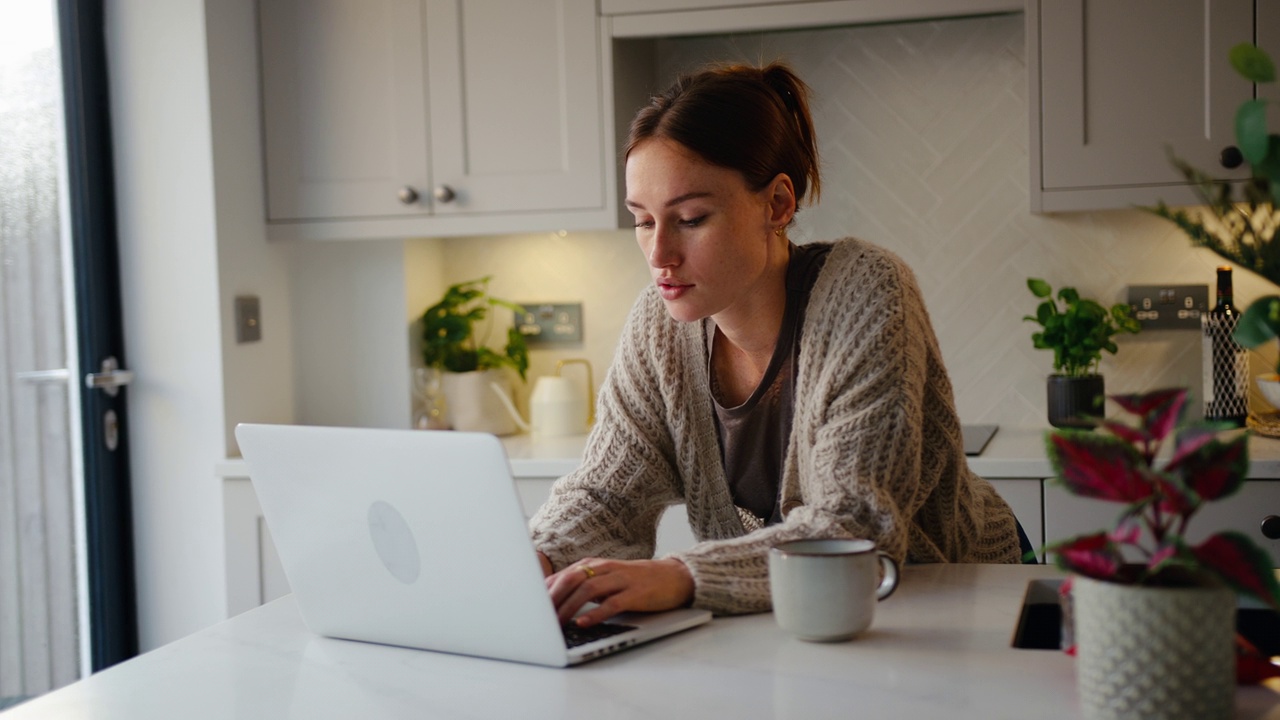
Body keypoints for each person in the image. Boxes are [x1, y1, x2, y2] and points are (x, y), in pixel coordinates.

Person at [530, 61, 1021, 629]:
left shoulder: (866, 291)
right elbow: (607, 495)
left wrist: (684, 575)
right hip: (801, 612)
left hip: (957, 598)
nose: (659, 254)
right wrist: (539, 556)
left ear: (778, 205)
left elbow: (854, 524)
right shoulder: (658, 326)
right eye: (643, 221)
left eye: (690, 218)